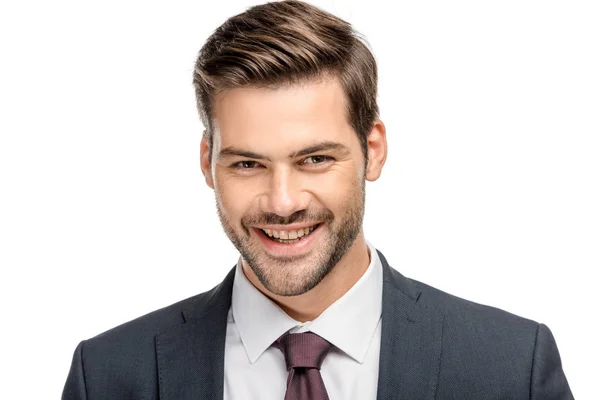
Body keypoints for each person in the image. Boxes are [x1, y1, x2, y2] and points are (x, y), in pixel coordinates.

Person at [62, 1, 573, 399]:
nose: (282, 202)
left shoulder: (509, 367)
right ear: (207, 163)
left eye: (315, 160)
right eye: (247, 164)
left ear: (373, 151)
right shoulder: (107, 375)